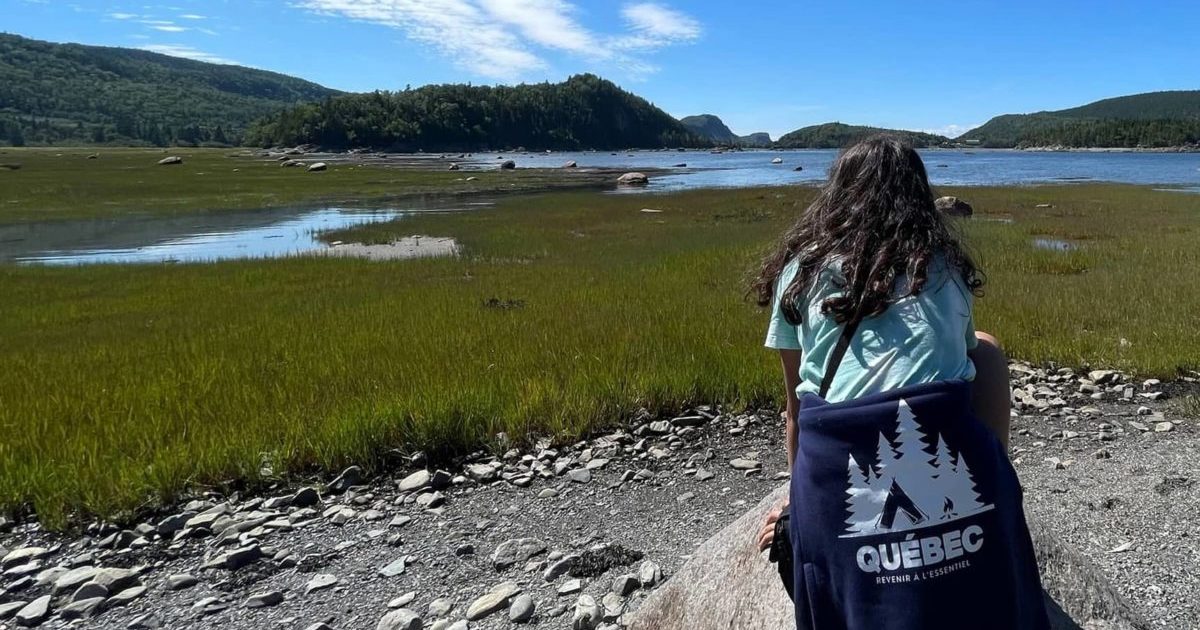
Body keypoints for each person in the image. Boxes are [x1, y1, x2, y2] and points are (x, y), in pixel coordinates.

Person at [747, 135, 1048, 630]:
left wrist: (798, 501)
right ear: (917, 194)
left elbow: (798, 410)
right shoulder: (943, 264)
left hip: (838, 451)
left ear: (837, 193)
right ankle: (996, 478)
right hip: (947, 440)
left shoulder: (801, 269)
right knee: (986, 350)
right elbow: (961, 357)